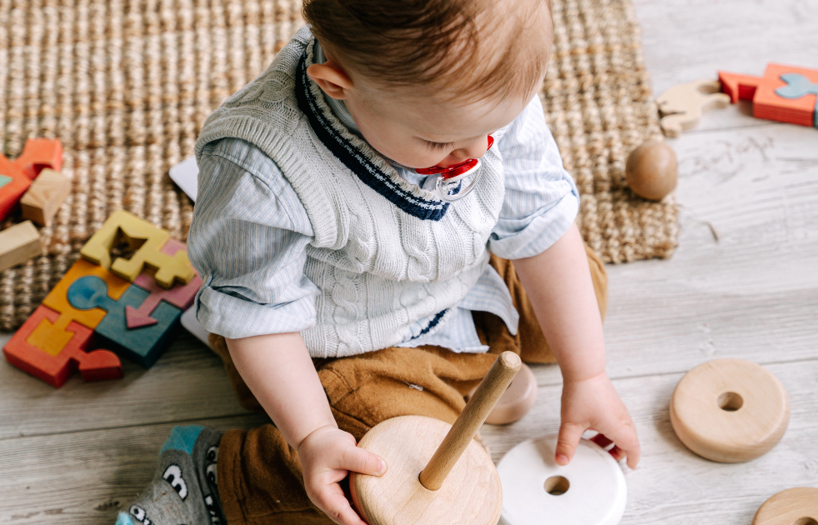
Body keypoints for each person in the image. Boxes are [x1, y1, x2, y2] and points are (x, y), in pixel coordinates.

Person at [117, 1, 640, 524]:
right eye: (439, 141)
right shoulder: (260, 167)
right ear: (336, 84)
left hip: (460, 275)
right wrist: (313, 436)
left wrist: (588, 374)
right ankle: (221, 476)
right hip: (344, 345)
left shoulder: (477, 94)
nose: (476, 152)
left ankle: (476, 358)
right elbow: (258, 320)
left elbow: (540, 221)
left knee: (583, 293)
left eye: (494, 127)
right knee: (388, 476)